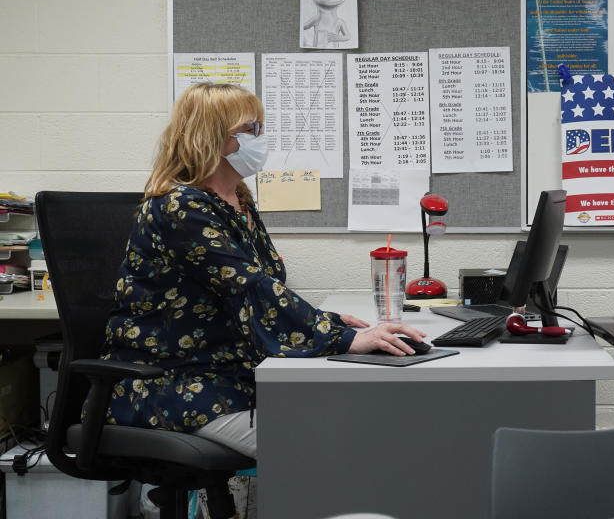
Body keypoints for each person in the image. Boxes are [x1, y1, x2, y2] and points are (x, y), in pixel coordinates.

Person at [101, 82, 426, 459]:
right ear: (212, 138)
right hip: (173, 382)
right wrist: (344, 339)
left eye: (261, 128)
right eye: (251, 130)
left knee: (351, 415)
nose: (262, 139)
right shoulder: (180, 207)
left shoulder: (238, 200)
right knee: (328, 448)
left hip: (228, 371)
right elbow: (250, 286)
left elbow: (264, 285)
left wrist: (330, 324)